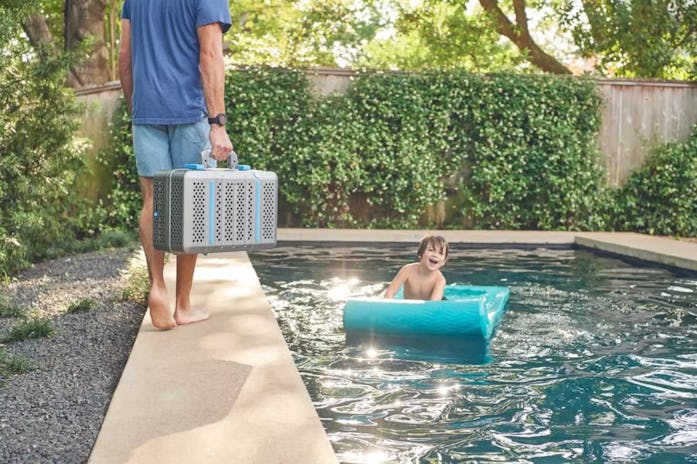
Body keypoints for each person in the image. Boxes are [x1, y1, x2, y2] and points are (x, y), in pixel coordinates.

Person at [118, 0, 233, 330]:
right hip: (189, 113)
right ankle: (182, 304)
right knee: (189, 205)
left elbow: (124, 59)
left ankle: (157, 287)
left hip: (146, 111)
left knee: (153, 201)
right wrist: (218, 123)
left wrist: (138, 110)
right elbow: (209, 56)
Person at [384, 235, 449, 301]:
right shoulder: (407, 270)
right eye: (431, 250)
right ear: (420, 254)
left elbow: (434, 304)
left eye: (440, 253)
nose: (435, 255)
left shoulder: (439, 280)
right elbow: (390, 292)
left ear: (444, 261)